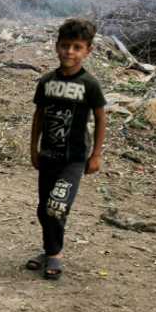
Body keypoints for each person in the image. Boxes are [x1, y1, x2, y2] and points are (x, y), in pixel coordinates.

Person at [26, 18, 108, 280]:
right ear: (57, 47)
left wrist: (95, 154)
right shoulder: (47, 82)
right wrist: (33, 149)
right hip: (48, 154)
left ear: (87, 51)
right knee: (43, 208)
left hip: (73, 158)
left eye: (76, 47)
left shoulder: (90, 85)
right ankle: (49, 250)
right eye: (65, 46)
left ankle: (55, 255)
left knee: (57, 205)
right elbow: (38, 116)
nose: (69, 52)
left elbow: (101, 118)